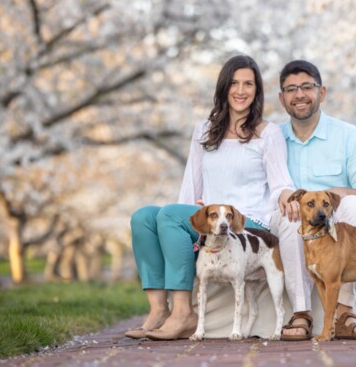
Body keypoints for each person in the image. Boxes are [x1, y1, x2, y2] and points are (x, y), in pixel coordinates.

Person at [124, 55, 297, 340]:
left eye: (248, 84)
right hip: (210, 219)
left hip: (245, 224)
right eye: (234, 83)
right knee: (143, 217)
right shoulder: (204, 130)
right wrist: (183, 219)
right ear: (223, 87)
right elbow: (190, 187)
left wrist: (290, 197)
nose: (241, 91)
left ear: (257, 91)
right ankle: (158, 309)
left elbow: (280, 184)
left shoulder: (268, 133)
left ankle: (184, 315)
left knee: (168, 214)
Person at [270, 60, 356, 341]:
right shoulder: (271, 138)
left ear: (321, 92)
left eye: (307, 87)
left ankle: (345, 312)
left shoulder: (349, 136)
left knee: (355, 204)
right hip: (288, 224)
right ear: (281, 98)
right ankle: (301, 313)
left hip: (337, 232)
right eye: (291, 89)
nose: (299, 94)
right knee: (293, 215)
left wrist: (344, 193)